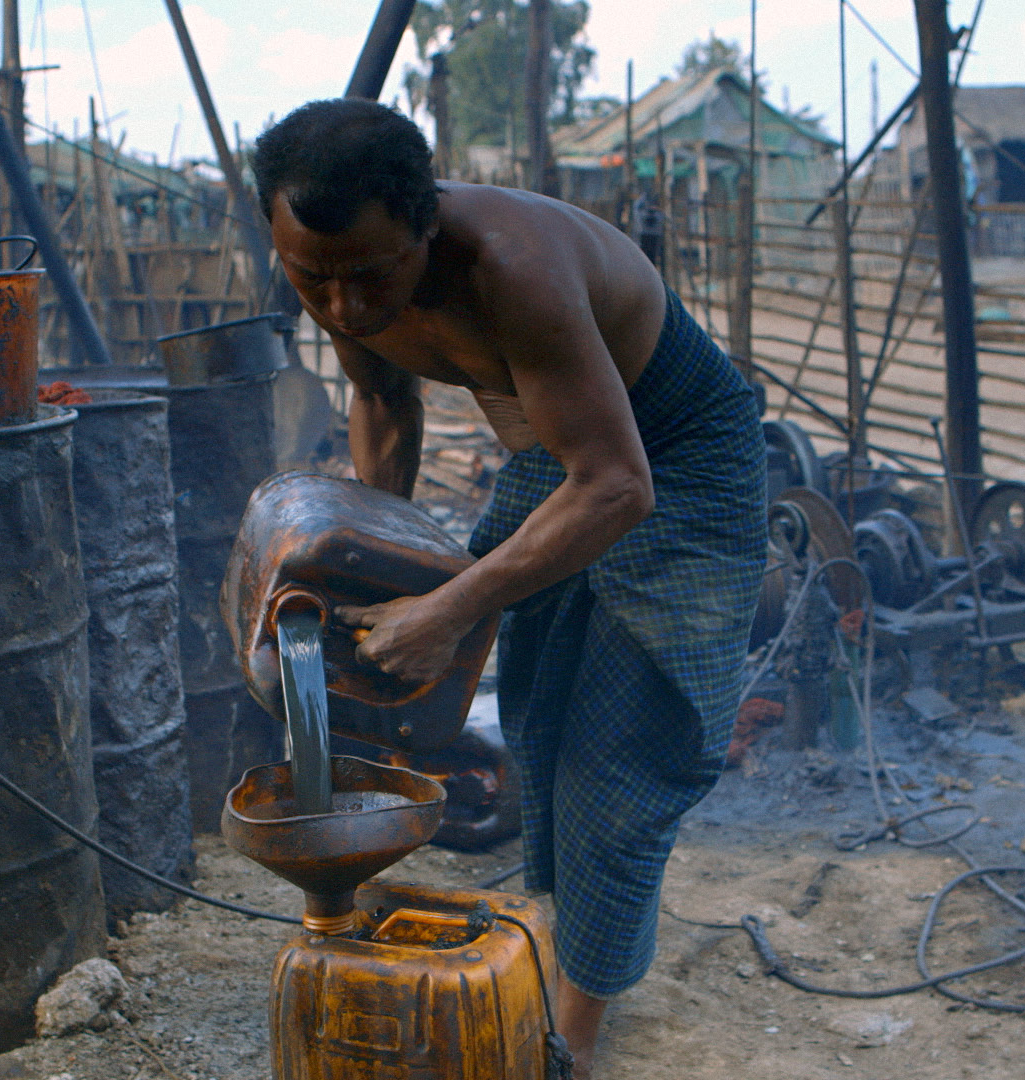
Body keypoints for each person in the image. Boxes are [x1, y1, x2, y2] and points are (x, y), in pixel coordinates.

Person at [252, 99, 764, 1078]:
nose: (345, 308)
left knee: (620, 758)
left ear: (425, 226)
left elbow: (619, 483)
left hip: (679, 462)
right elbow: (381, 400)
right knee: (538, 724)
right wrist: (359, 561)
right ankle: (552, 941)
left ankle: (566, 1043)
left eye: (369, 276)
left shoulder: (513, 267)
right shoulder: (339, 279)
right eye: (312, 279)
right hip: (560, 458)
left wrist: (448, 607)